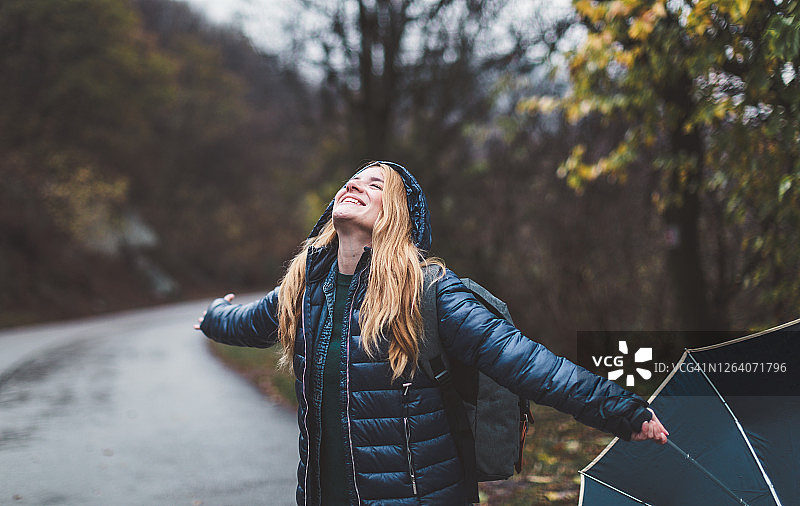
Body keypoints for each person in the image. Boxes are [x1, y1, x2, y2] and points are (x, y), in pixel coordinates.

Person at [194, 161, 668, 505]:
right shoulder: (304, 288)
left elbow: (526, 363)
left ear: (396, 215)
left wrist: (621, 410)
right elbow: (248, 323)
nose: (355, 185)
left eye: (375, 185)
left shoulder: (428, 292)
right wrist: (215, 315)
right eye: (352, 180)